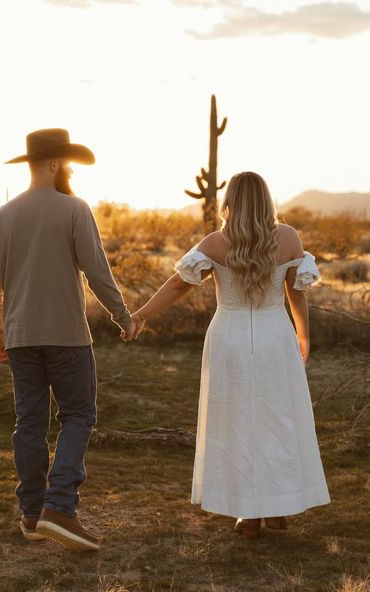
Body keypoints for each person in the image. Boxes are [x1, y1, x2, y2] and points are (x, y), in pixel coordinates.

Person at [131, 171, 330, 540]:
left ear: (229, 201)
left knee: (235, 422)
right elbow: (297, 293)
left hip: (229, 337)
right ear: (267, 200)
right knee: (277, 420)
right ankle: (276, 508)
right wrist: (303, 334)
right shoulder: (288, 238)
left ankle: (249, 515)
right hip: (276, 335)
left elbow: (179, 285)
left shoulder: (215, 242)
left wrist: (141, 314)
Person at [0, 128, 136, 552]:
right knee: (78, 416)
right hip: (66, 337)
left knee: (29, 423)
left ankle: (32, 516)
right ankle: (60, 508)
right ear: (52, 163)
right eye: (65, 161)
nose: (68, 168)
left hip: (20, 338)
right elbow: (97, 271)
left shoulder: (2, 215)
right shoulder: (74, 209)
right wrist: (123, 317)